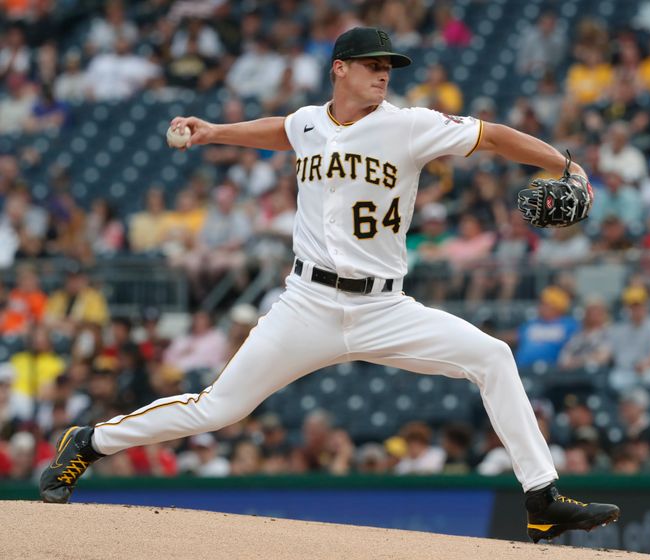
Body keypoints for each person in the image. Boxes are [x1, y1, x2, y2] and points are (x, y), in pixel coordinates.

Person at [40, 27, 618, 542]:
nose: (384, 73)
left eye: (388, 66)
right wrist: (215, 131)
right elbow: (284, 132)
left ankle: (542, 500)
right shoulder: (310, 122)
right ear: (340, 68)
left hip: (385, 307)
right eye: (372, 64)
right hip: (308, 305)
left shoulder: (411, 125)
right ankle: (89, 443)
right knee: (218, 409)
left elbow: (492, 136)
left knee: (493, 356)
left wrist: (565, 165)